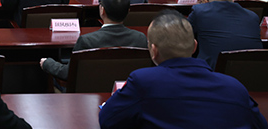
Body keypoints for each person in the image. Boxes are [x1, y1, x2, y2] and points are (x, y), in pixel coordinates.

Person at [99, 10, 268, 129]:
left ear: (154, 51)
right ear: (194, 46)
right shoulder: (235, 87)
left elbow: (108, 120)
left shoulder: (143, 82)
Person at [40, 0, 147, 79]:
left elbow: (68, 74)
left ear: (102, 10)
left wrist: (48, 63)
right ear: (128, 11)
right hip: (129, 94)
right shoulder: (141, 39)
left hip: (90, 95)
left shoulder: (87, 41)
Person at [188, 0, 262, 68]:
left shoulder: (199, 11)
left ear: (204, 1)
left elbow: (183, 36)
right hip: (254, 71)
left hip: (212, 71)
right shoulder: (253, 16)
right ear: (232, 0)